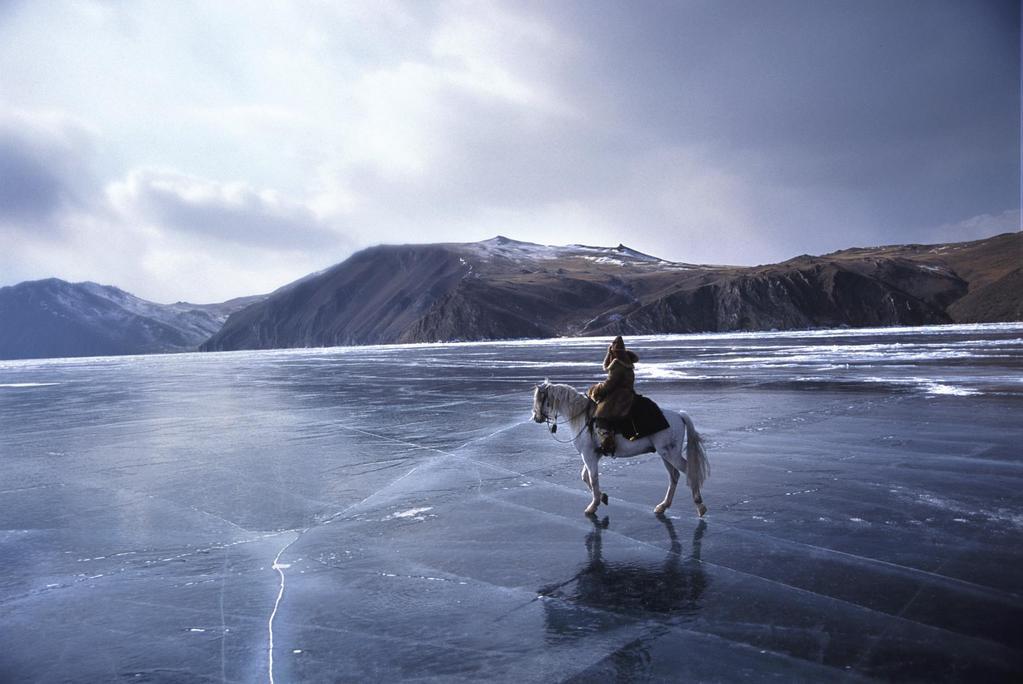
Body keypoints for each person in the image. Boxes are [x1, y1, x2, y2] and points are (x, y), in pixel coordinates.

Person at [588, 336, 638, 454]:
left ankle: (608, 443)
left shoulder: (617, 365)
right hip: (628, 393)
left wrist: (595, 389)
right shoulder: (627, 361)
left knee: (600, 416)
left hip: (619, 396)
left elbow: (609, 384)